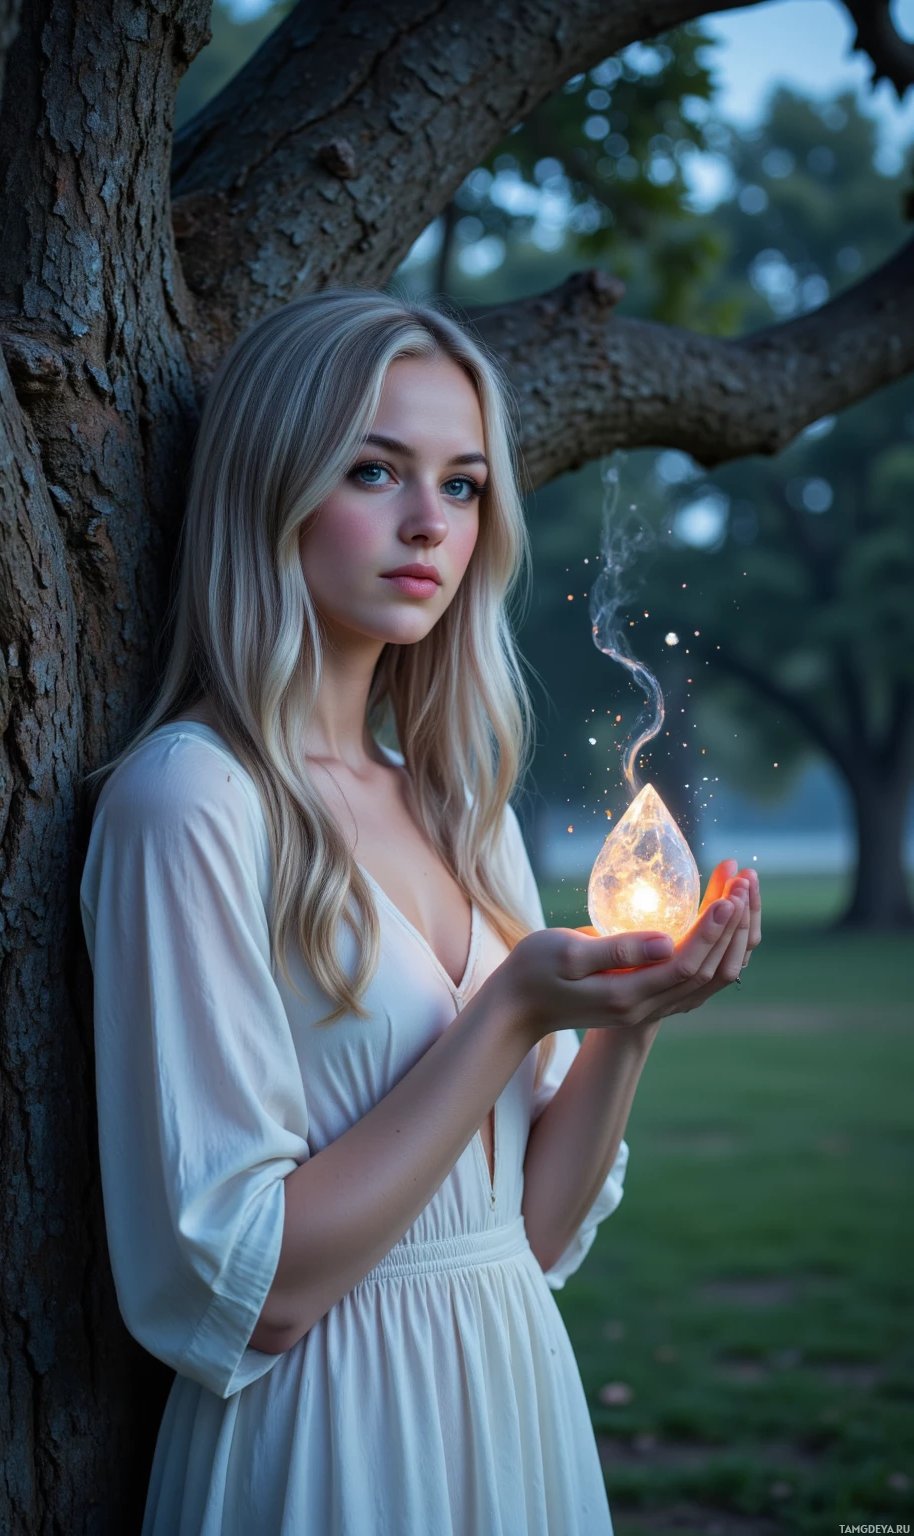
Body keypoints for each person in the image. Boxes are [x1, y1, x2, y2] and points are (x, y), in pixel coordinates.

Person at [78, 288, 759, 1535]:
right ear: (272, 488)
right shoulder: (191, 803)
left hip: (510, 1392)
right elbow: (252, 1293)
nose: (428, 524)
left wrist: (628, 1020)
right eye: (374, 469)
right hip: (328, 1433)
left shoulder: (462, 811)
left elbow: (530, 1232)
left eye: (462, 485)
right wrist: (508, 1013)